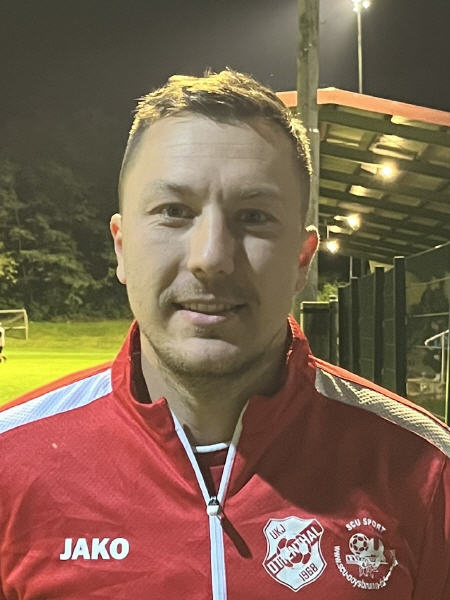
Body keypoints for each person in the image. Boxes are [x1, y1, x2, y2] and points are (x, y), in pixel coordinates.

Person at [0, 70, 448, 600]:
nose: (211, 257)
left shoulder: (426, 470)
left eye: (253, 217)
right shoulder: (11, 462)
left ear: (302, 260)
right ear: (121, 246)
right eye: (173, 212)